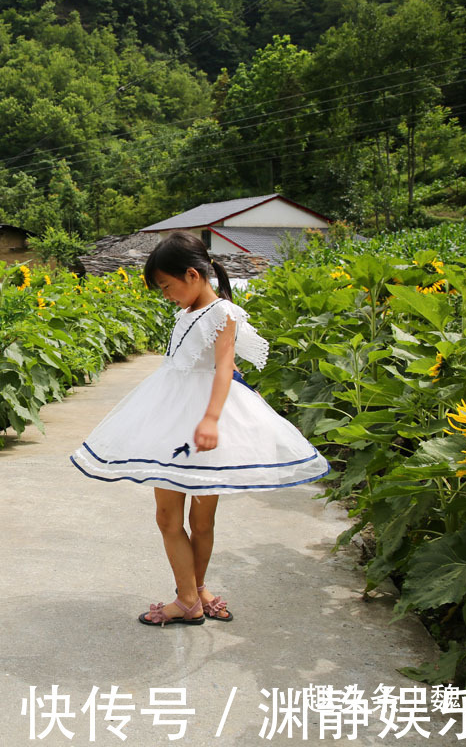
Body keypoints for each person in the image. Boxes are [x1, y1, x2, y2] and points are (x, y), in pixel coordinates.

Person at [69, 232, 329, 626]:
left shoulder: (222, 312)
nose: (167, 295)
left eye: (167, 286)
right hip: (172, 416)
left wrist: (210, 420)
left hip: (199, 422)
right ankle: (195, 590)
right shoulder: (190, 312)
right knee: (181, 518)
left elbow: (225, 367)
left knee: (186, 519)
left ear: (192, 274)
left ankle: (189, 597)